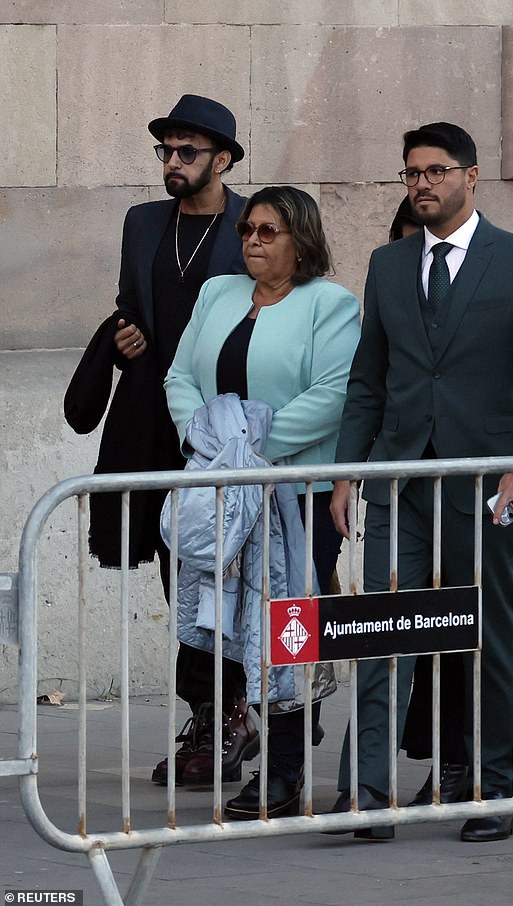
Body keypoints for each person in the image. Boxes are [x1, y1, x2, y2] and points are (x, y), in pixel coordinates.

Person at [329, 122, 513, 842]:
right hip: (400, 481)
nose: (423, 184)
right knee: (381, 635)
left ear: (471, 177)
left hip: (484, 485)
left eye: (436, 171)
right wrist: (347, 475)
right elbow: (367, 382)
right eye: (412, 173)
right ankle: (371, 799)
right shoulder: (387, 264)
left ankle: (495, 790)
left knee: (488, 637)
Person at [64, 94, 253, 788]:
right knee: (183, 572)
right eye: (165, 151)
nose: (172, 163)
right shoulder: (143, 223)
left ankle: (233, 712)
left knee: (225, 572)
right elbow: (131, 300)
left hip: (226, 427)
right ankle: (214, 710)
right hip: (151, 421)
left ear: (223, 159)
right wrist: (126, 334)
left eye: (187, 152)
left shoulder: (253, 224)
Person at [164, 185, 361, 819]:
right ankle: (262, 740)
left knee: (286, 632)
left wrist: (246, 449)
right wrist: (217, 448)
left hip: (293, 494)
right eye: (247, 229)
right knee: (231, 627)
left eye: (268, 231)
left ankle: (283, 775)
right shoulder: (216, 294)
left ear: (300, 240)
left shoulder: (330, 305)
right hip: (221, 488)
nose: (251, 240)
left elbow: (332, 394)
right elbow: (179, 377)